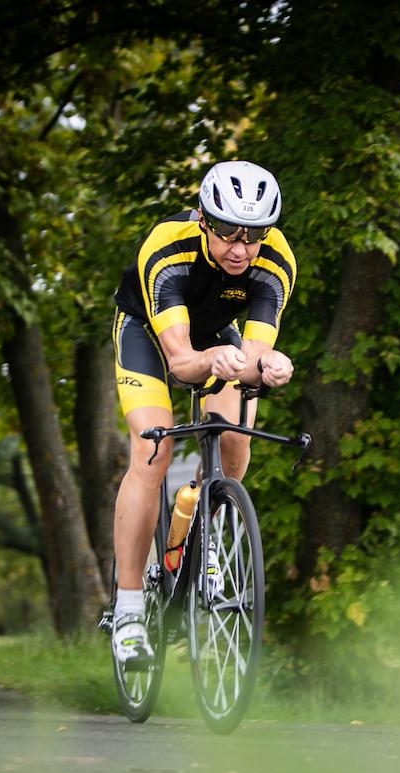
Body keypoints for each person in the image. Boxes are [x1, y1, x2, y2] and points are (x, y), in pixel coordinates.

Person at [110, 160, 296, 667]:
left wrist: (270, 367)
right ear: (202, 219)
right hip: (150, 337)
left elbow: (255, 357)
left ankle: (206, 532)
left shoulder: (276, 263)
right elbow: (182, 362)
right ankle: (128, 611)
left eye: (254, 235)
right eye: (227, 233)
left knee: (236, 436)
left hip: (215, 336)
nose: (240, 248)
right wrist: (213, 360)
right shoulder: (168, 249)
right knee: (156, 448)